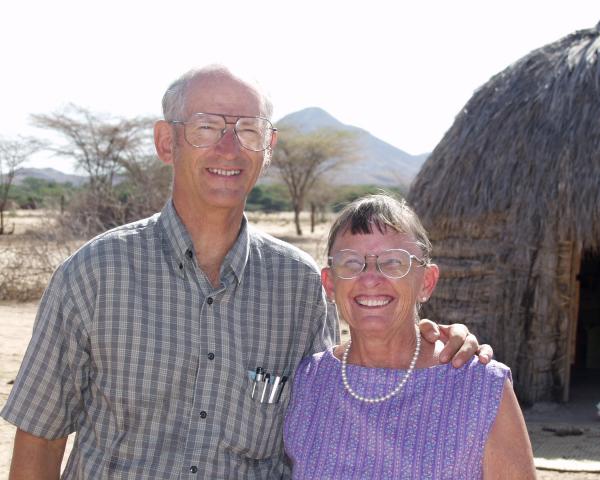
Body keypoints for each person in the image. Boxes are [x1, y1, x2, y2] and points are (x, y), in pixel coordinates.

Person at [1, 66, 491, 479]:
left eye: (248, 130)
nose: (229, 148)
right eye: (207, 127)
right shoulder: (93, 275)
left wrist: (437, 344)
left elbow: (338, 404)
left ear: (269, 147)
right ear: (165, 142)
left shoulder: (300, 287)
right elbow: (41, 436)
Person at [284, 194, 535, 479]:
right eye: (352, 263)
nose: (370, 279)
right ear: (330, 284)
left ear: (426, 282)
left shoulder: (480, 386)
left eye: (393, 262)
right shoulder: (309, 382)